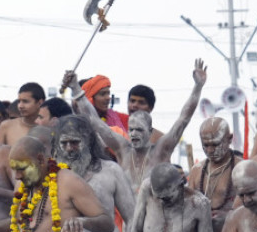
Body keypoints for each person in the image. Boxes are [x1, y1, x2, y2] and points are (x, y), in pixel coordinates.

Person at [66, 61, 206, 200]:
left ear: (150, 132)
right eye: (131, 130)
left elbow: (183, 119)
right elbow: (95, 121)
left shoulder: (161, 149)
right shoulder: (122, 148)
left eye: (139, 130)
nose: (133, 134)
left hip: (156, 217)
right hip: (127, 219)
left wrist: (198, 87)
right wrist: (76, 89)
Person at [131, 163, 213, 232]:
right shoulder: (147, 189)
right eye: (158, 198)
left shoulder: (199, 204)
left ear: (180, 185)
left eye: (167, 198)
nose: (162, 202)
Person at [188, 117, 240, 232]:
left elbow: (251, 211)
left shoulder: (242, 169)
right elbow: (188, 207)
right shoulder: (196, 170)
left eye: (215, 144)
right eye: (206, 145)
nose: (210, 150)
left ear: (229, 139)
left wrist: (228, 216)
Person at [0, 82, 44, 147]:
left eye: (25, 101)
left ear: (40, 103)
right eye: (19, 101)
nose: (20, 106)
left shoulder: (49, 129)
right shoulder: (6, 126)